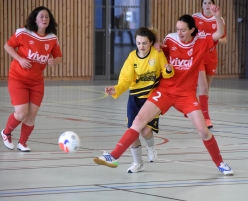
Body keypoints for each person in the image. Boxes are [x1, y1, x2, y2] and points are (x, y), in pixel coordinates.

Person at [94, 5, 234, 176]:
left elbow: (219, 34)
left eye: (183, 30)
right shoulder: (171, 40)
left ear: (192, 30)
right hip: (165, 91)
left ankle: (220, 163)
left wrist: (217, 16)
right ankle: (113, 156)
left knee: (203, 131)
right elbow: (156, 52)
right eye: (177, 29)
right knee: (138, 122)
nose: (179, 32)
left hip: (186, 94)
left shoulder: (201, 43)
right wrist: (156, 46)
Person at [104, 27, 174, 173]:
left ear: (151, 43)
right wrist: (116, 89)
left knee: (146, 131)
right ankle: (138, 163)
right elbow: (125, 79)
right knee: (133, 131)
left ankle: (151, 147)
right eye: (138, 43)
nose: (141, 46)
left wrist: (168, 70)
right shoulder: (132, 57)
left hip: (152, 98)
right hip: (135, 98)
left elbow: (166, 74)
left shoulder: (157, 54)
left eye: (144, 43)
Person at [1, 6, 62, 152]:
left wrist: (55, 61)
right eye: (41, 16)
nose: (44, 19)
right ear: (35, 18)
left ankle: (22, 143)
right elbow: (7, 46)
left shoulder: (52, 38)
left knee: (32, 114)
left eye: (47, 16)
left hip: (36, 81)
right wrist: (19, 59)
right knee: (22, 113)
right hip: (18, 78)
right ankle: (6, 133)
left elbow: (58, 56)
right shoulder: (23, 32)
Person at [192, 0, 227, 129]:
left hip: (211, 57)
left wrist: (213, 38)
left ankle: (195, 110)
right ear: (202, 5)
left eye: (209, 3)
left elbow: (224, 39)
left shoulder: (219, 19)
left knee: (206, 90)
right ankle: (205, 118)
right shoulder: (194, 18)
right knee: (203, 88)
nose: (207, 5)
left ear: (213, 5)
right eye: (205, 3)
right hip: (199, 57)